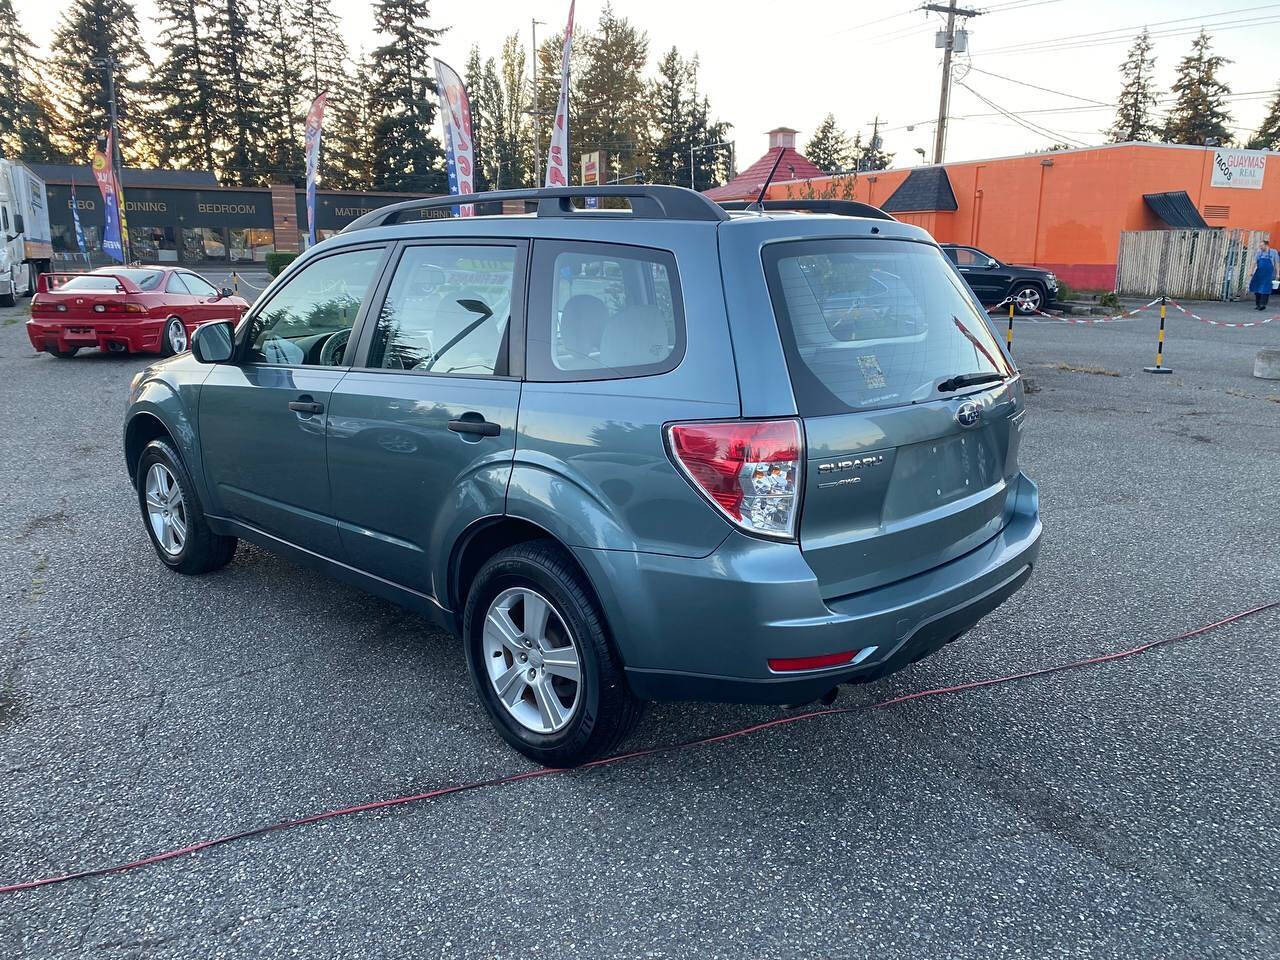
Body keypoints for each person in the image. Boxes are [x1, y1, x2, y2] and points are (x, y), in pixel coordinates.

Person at [1249, 238, 1278, 311]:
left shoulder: (1273, 252)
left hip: (1268, 274)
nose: (1260, 247)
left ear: (1266, 245)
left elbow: (1277, 263)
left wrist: (1278, 273)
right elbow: (1254, 262)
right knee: (1257, 288)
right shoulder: (1259, 253)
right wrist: (1251, 271)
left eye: (1262, 246)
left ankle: (1263, 304)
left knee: (1265, 289)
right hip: (1259, 273)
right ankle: (1258, 304)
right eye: (1260, 246)